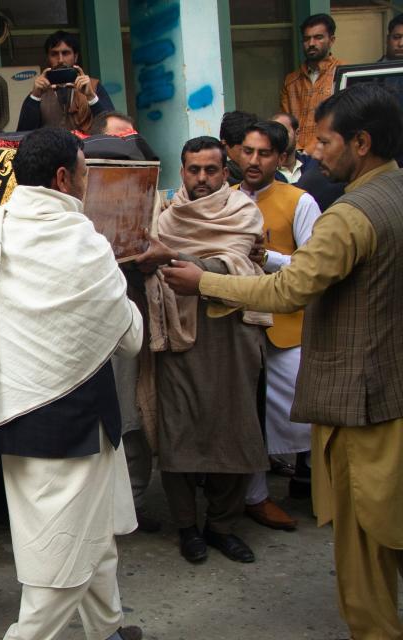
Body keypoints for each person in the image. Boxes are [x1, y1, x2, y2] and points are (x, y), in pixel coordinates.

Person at [160, 83, 403, 640]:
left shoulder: (348, 216)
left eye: (326, 141)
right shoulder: (396, 190)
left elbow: (289, 289)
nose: (314, 154)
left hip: (362, 400)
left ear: (361, 142)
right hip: (392, 387)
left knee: (365, 545)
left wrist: (205, 280)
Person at [0, 126, 144, 640]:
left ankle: (109, 630)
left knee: (92, 542)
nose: (86, 181)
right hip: (71, 426)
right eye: (83, 170)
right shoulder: (83, 240)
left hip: (13, 419)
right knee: (58, 571)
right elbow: (130, 337)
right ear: (62, 177)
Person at [134, 136, 269, 565]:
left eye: (211, 170)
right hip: (179, 339)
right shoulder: (164, 217)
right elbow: (152, 263)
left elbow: (239, 261)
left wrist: (176, 257)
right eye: (194, 170)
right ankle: (188, 527)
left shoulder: (243, 211)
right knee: (180, 435)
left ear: (224, 172)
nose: (203, 179)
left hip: (233, 337)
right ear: (183, 171)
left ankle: (222, 526)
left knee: (236, 429)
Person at [235, 121, 322, 528]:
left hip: (289, 329)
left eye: (264, 153)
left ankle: (323, 491)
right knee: (248, 418)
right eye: (248, 151)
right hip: (240, 328)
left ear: (282, 158)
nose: (253, 160)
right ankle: (255, 497)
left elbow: (315, 268)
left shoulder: (299, 201)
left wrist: (266, 257)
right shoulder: (226, 200)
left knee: (310, 413)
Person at [16, 30, 114, 133]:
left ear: (75, 57)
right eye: (54, 54)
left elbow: (112, 128)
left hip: (88, 148)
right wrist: (35, 96)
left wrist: (91, 96)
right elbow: (22, 134)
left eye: (65, 53)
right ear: (47, 58)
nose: (60, 60)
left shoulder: (93, 86)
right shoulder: (39, 91)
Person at [281, 13, 345, 152]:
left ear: (331, 40)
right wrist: (297, 152)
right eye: (306, 39)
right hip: (295, 156)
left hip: (329, 154)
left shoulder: (343, 73)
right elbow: (284, 125)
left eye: (318, 37)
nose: (311, 44)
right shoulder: (291, 81)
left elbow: (346, 123)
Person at [272, 112, 345, 210]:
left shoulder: (316, 164)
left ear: (297, 134)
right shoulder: (267, 172)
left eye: (283, 132)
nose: (278, 137)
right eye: (274, 133)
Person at [219, 110, 258, 186]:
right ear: (224, 143)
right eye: (247, 150)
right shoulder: (218, 179)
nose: (254, 159)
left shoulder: (272, 175)